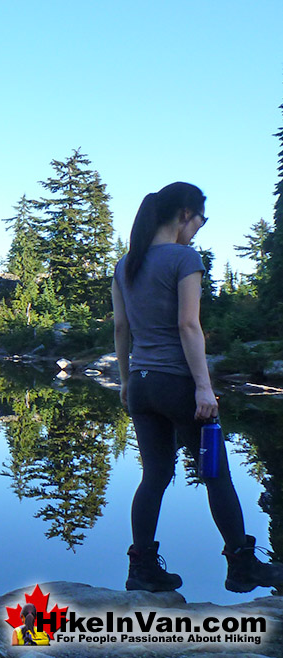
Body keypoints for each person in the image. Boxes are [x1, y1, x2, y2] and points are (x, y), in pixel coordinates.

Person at [112, 182, 283, 593]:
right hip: (178, 386)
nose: (199, 230)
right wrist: (204, 388)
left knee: (154, 477)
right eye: (201, 220)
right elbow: (189, 325)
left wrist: (124, 380)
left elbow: (121, 328)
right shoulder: (183, 258)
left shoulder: (125, 264)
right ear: (186, 213)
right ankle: (241, 566)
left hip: (142, 386)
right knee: (216, 476)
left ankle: (142, 570)